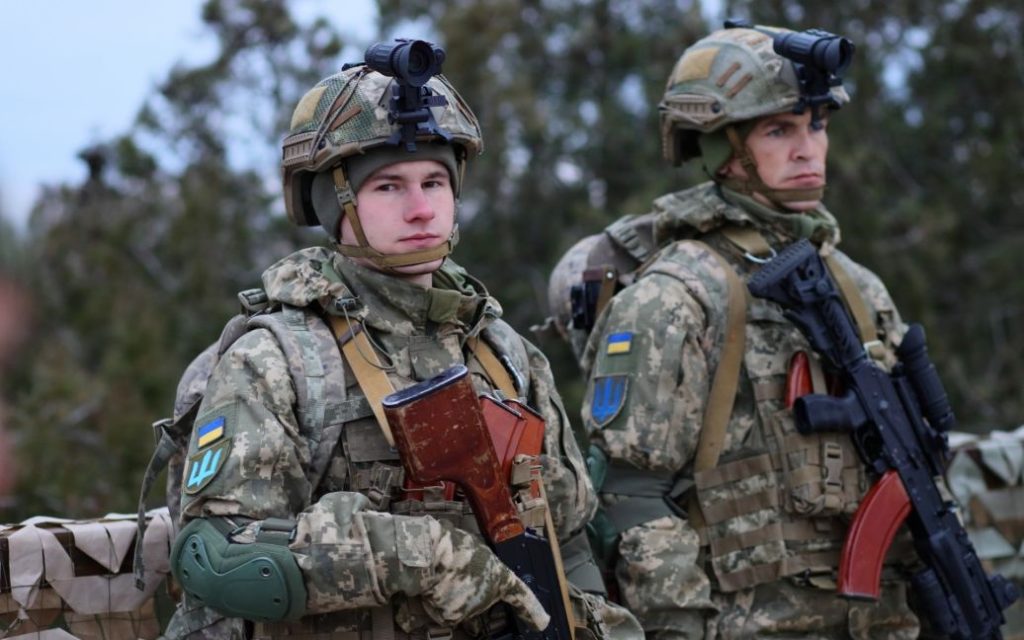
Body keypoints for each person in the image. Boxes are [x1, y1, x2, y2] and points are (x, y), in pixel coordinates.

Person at [162, 42, 641, 640]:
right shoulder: (278, 358)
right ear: (333, 203)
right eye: (388, 187)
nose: (420, 210)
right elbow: (214, 560)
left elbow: (567, 539)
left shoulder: (501, 350)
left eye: (434, 182)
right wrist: (418, 555)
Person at [578, 24, 925, 638]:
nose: (808, 149)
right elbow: (631, 497)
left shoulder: (859, 287)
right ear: (722, 148)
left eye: (817, 124)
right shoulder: (679, 294)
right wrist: (679, 627)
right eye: (778, 130)